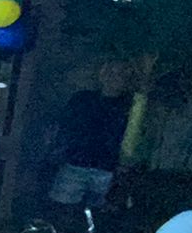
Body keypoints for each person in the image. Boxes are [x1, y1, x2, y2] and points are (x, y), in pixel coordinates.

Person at [48, 60, 134, 223]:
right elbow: (63, 127)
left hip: (108, 170)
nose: (115, 78)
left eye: (122, 75)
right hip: (75, 165)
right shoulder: (82, 99)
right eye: (111, 73)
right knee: (61, 214)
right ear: (101, 74)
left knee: (99, 218)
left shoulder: (130, 106)